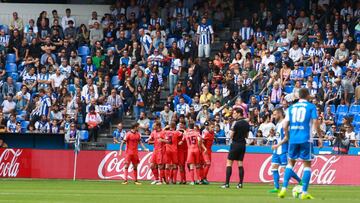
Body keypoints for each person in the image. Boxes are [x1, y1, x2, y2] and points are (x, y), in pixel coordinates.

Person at [278, 88, 323, 200]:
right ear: (307, 95)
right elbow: (316, 122)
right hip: (306, 139)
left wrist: (288, 136)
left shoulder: (291, 108)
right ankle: (304, 192)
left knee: (290, 164)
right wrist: (320, 137)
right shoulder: (311, 106)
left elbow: (284, 125)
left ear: (299, 96)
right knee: (307, 166)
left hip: (293, 139)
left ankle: (283, 189)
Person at [269, 108, 301, 193]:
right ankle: (276, 188)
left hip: (283, 149)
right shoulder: (277, 124)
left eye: (275, 114)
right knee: (274, 167)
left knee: (285, 169)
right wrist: (273, 134)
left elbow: (287, 137)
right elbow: (279, 136)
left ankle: (300, 181)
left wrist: (277, 145)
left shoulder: (284, 123)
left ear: (280, 114)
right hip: (276, 151)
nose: (273, 116)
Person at [221, 108, 248, 189]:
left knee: (229, 163)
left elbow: (231, 136)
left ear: (239, 114)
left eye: (235, 113)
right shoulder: (246, 123)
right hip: (243, 144)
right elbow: (246, 135)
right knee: (240, 164)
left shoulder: (236, 123)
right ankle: (240, 184)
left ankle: (226, 184)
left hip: (235, 144)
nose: (233, 115)